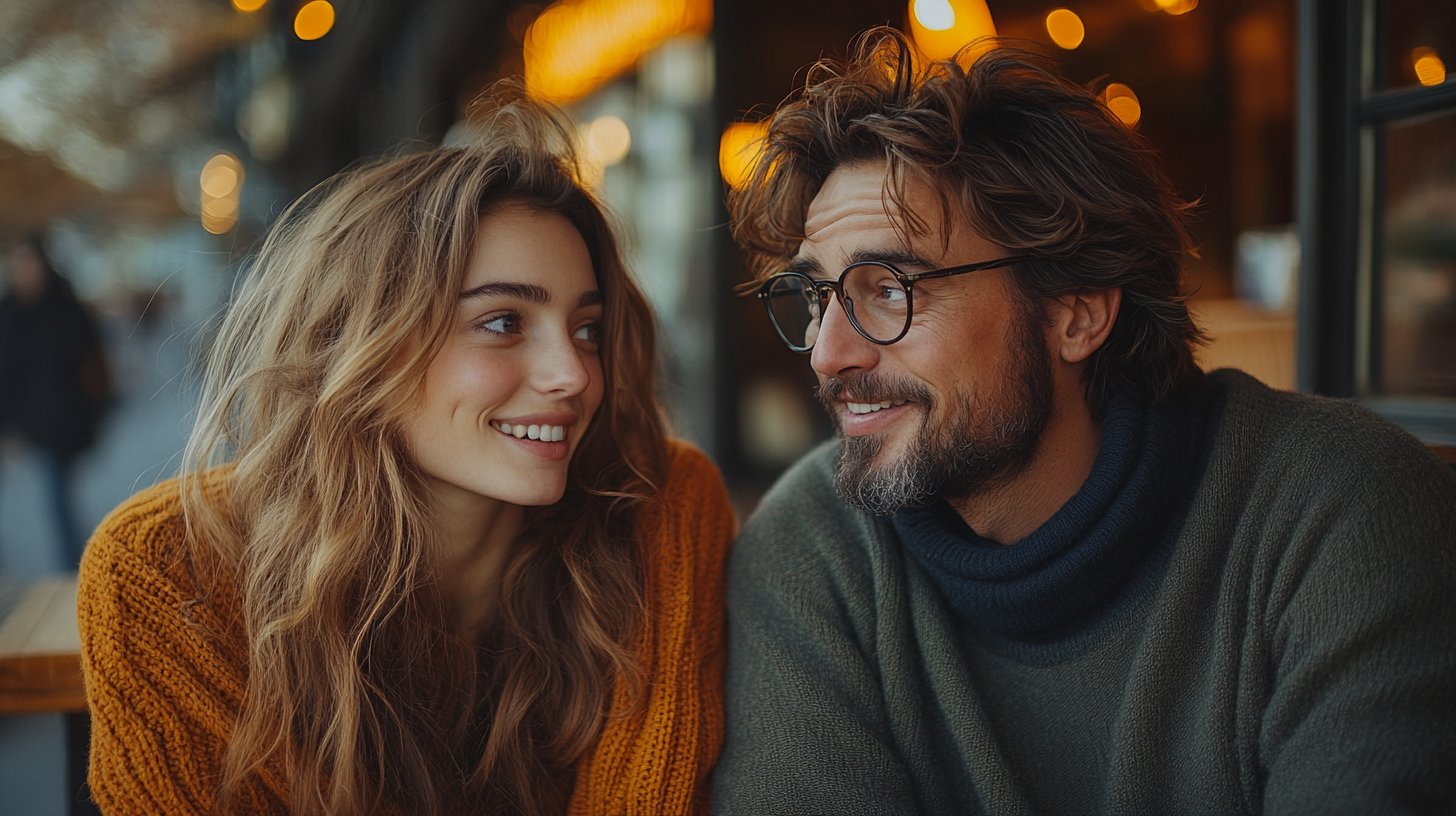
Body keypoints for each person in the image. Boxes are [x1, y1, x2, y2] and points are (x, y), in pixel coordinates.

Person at [713, 27, 1456, 815]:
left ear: (1078, 313)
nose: (828, 354)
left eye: (891, 289)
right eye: (818, 297)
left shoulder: (1340, 510)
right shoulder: (814, 549)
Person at [78, 92, 734, 816]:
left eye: (587, 330)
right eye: (503, 322)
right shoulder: (168, 574)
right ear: (362, 346)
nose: (573, 375)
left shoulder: (653, 503)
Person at [0, 233, 112, 568]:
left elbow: (92, 359)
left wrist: (95, 409)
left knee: (59, 492)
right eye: (17, 263)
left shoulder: (65, 304)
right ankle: (74, 560)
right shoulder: (9, 312)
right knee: (58, 494)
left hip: (66, 418)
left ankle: (73, 563)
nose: (24, 270)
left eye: (28, 262)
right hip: (30, 420)